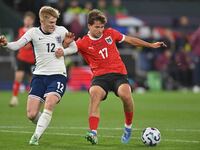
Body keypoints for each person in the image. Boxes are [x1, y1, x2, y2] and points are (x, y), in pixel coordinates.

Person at [61, 9, 166, 144]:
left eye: (101, 27)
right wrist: (65, 43)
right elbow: (66, 51)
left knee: (125, 94)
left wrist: (150, 45)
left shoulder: (110, 33)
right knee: (94, 94)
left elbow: (130, 40)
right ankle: (93, 133)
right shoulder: (83, 43)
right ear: (89, 26)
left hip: (118, 74)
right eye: (97, 27)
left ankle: (128, 127)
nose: (100, 30)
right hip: (100, 77)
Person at [0, 6, 76, 145]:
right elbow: (17, 45)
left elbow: (74, 47)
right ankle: (44, 121)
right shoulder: (33, 32)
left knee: (50, 102)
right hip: (39, 76)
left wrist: (63, 51)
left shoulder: (62, 31)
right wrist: (6, 44)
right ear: (42, 21)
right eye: (51, 22)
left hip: (58, 75)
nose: (54, 25)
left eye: (55, 22)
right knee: (31, 114)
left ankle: (35, 137)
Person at [9, 11, 36, 107]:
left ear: (32, 21)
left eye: (29, 19)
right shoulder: (21, 30)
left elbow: (27, 45)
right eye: (26, 19)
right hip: (22, 58)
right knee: (18, 78)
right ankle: (14, 98)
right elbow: (25, 45)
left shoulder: (35, 31)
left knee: (33, 81)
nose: (27, 21)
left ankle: (33, 100)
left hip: (32, 60)